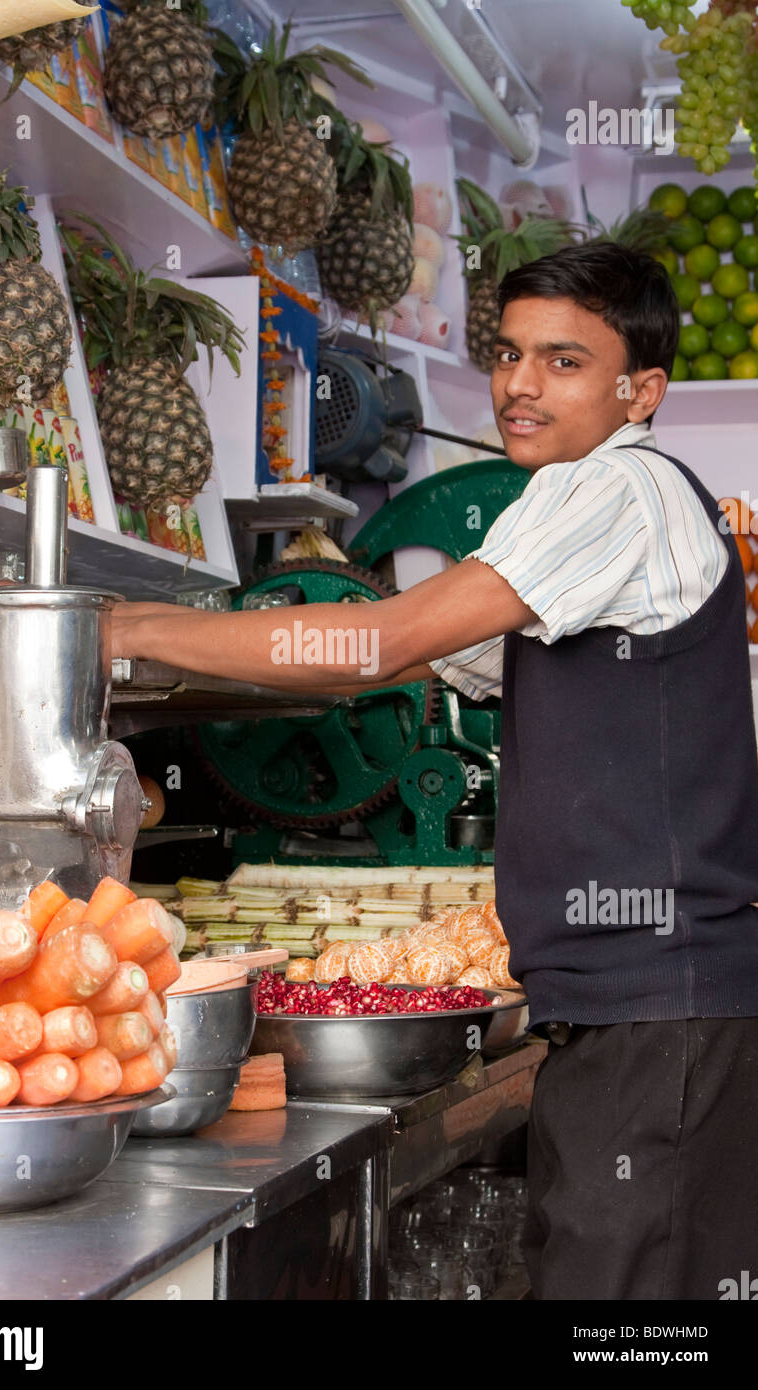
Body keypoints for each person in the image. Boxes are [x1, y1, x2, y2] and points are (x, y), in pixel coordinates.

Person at [111, 242, 758, 1300]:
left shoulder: (612, 491)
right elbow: (377, 659)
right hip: (633, 1011)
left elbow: (373, 646)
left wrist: (138, 630)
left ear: (638, 390)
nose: (516, 384)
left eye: (561, 361)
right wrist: (229, 635)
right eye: (507, 354)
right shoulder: (571, 510)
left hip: (656, 1010)